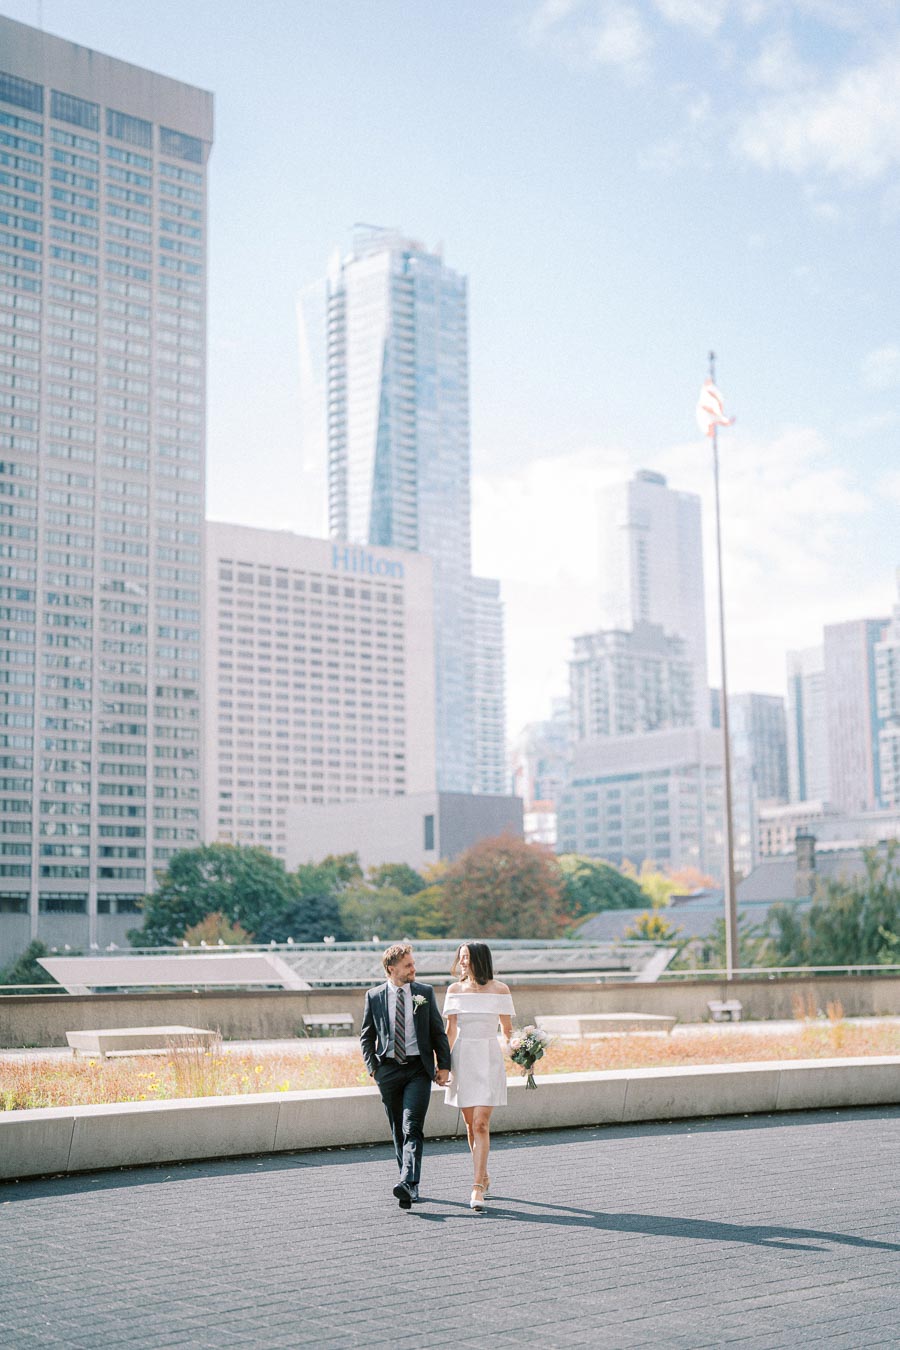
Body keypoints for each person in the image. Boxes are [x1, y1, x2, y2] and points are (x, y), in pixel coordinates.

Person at [360, 942, 451, 1209]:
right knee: (398, 1130)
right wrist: (373, 1069)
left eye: (413, 963)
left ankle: (408, 1181)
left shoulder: (424, 992)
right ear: (391, 969)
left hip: (417, 1069)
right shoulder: (374, 996)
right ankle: (409, 1185)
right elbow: (367, 1036)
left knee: (412, 1126)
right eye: (408, 965)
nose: (414, 968)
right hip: (387, 1069)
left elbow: (437, 1031)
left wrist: (443, 1065)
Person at [443, 941, 515, 1212]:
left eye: (467, 958)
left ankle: (476, 1187)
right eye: (460, 958)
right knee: (470, 1124)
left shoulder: (500, 990)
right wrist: (443, 1065)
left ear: (479, 960)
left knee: (482, 1123)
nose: (462, 962)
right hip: (463, 1057)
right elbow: (450, 1031)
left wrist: (522, 1054)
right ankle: (483, 1173)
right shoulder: (454, 990)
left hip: (488, 1057)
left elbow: (507, 1031)